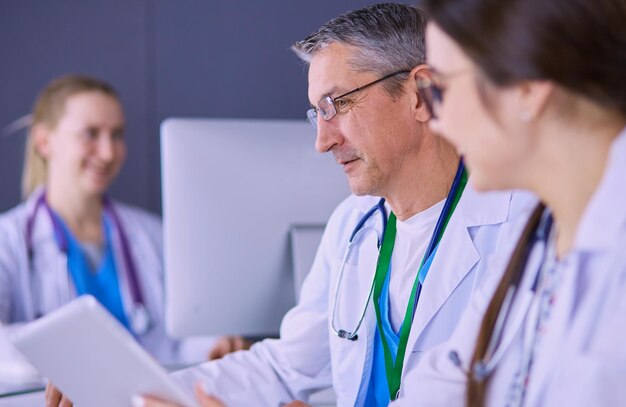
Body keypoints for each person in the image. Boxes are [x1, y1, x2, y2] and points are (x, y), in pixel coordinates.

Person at [132, 4, 535, 407]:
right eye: (317, 113)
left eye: (336, 104)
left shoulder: (517, 227)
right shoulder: (353, 224)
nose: (322, 141)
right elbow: (286, 368)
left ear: (419, 95)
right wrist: (131, 395)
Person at [392, 0, 626, 406]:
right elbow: (446, 384)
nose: (436, 120)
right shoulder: (534, 234)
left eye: (441, 89)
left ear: (526, 89)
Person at [0, 75, 249, 398]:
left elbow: (168, 341)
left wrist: (211, 347)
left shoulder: (150, 234)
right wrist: (79, 358)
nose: (107, 152)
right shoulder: (8, 239)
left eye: (117, 135)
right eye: (91, 134)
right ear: (44, 142)